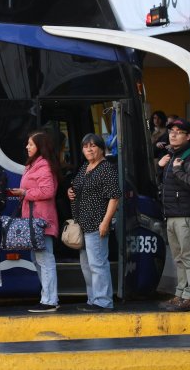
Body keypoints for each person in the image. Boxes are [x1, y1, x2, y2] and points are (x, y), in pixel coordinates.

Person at [7, 132, 62, 313]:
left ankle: (49, 300)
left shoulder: (43, 165)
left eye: (30, 144)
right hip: (33, 219)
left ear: (40, 146)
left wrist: (24, 193)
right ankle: (47, 297)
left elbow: (48, 191)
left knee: (44, 259)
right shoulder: (33, 165)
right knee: (37, 259)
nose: (27, 147)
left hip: (42, 221)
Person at [67, 133, 121, 312]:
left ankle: (103, 301)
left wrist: (105, 222)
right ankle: (93, 299)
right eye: (85, 146)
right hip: (83, 223)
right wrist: (70, 192)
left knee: (98, 264)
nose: (89, 149)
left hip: (97, 222)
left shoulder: (106, 168)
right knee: (87, 265)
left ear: (101, 148)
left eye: (93, 146)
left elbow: (114, 197)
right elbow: (76, 186)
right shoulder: (85, 167)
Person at [156, 117, 190, 312]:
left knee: (189, 255)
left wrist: (176, 170)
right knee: (178, 257)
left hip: (186, 214)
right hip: (172, 213)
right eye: (171, 132)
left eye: (178, 132)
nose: (173, 134)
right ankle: (180, 293)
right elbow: (165, 185)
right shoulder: (172, 155)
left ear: (189, 135)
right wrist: (161, 168)